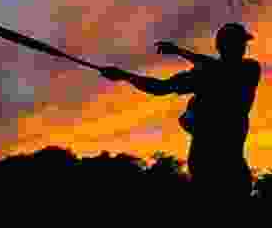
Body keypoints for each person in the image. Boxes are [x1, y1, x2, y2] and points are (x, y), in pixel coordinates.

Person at [100, 22, 261, 204]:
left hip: (228, 165)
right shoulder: (207, 73)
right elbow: (160, 87)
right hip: (210, 164)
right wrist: (125, 75)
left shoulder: (249, 68)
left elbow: (221, 69)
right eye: (238, 43)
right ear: (224, 46)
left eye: (242, 43)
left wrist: (179, 52)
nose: (242, 47)